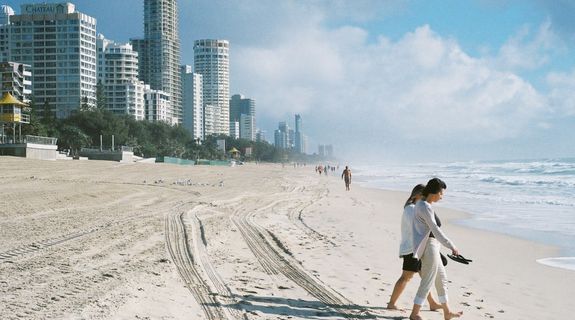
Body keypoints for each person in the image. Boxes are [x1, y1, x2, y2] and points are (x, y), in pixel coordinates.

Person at [409, 178, 463, 320]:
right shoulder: (424, 207)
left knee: (441, 278)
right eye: (441, 193)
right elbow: (435, 230)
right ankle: (414, 313)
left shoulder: (422, 204)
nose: (442, 196)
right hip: (429, 246)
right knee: (428, 280)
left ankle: (447, 312)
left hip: (432, 245)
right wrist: (451, 245)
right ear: (435, 192)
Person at [387, 184, 442, 311]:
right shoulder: (412, 209)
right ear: (417, 195)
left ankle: (432, 303)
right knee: (406, 276)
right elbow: (431, 224)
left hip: (416, 248)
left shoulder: (413, 208)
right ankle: (391, 303)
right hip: (412, 249)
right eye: (425, 195)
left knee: (425, 277)